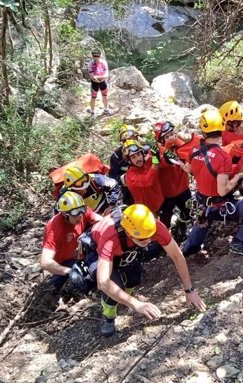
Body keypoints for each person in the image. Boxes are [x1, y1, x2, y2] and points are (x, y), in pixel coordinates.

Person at [86, 204, 207, 336]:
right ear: (128, 232)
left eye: (150, 236)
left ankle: (122, 298)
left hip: (124, 248)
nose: (149, 241)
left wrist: (189, 289)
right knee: (115, 285)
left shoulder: (153, 227)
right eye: (143, 238)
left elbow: (177, 256)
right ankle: (108, 315)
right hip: (98, 249)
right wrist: (135, 304)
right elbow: (103, 282)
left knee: (134, 278)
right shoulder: (110, 237)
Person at [182, 109, 243, 257]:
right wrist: (237, 178)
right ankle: (240, 243)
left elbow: (189, 168)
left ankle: (190, 247)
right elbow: (223, 190)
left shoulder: (194, 151)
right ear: (222, 130)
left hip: (201, 203)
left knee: (203, 217)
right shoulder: (222, 157)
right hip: (218, 207)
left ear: (203, 133)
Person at [41, 192, 103, 291]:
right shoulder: (54, 228)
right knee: (57, 287)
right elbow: (45, 262)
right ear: (64, 214)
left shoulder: (81, 212)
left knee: (91, 278)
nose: (79, 217)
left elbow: (102, 221)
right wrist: (68, 271)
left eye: (81, 212)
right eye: (75, 215)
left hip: (78, 252)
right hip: (62, 262)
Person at [154, 121, 192, 239]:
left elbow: (189, 155)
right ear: (161, 140)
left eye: (171, 134)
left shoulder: (181, 147)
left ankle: (182, 228)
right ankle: (165, 238)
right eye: (167, 136)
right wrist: (168, 148)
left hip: (183, 189)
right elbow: (165, 163)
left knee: (187, 212)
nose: (171, 137)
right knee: (165, 219)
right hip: (167, 195)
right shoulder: (156, 152)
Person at [121, 139, 165, 215]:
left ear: (142, 154)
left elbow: (163, 162)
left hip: (161, 203)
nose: (138, 159)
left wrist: (164, 153)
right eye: (133, 157)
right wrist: (155, 161)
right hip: (146, 212)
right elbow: (147, 181)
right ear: (129, 160)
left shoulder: (148, 161)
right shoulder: (130, 176)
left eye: (138, 154)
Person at [108, 124, 141, 204]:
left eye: (133, 139)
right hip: (130, 188)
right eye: (127, 141)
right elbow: (113, 176)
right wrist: (124, 178)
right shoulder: (117, 156)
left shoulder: (144, 149)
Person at [87, 49, 112, 117]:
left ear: (100, 55)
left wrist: (99, 77)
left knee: (105, 96)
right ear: (92, 56)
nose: (96, 57)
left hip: (103, 82)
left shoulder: (103, 62)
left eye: (97, 56)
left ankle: (106, 109)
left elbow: (106, 74)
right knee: (93, 97)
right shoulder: (90, 63)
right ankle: (92, 112)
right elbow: (92, 77)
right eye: (94, 56)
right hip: (95, 83)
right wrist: (101, 77)